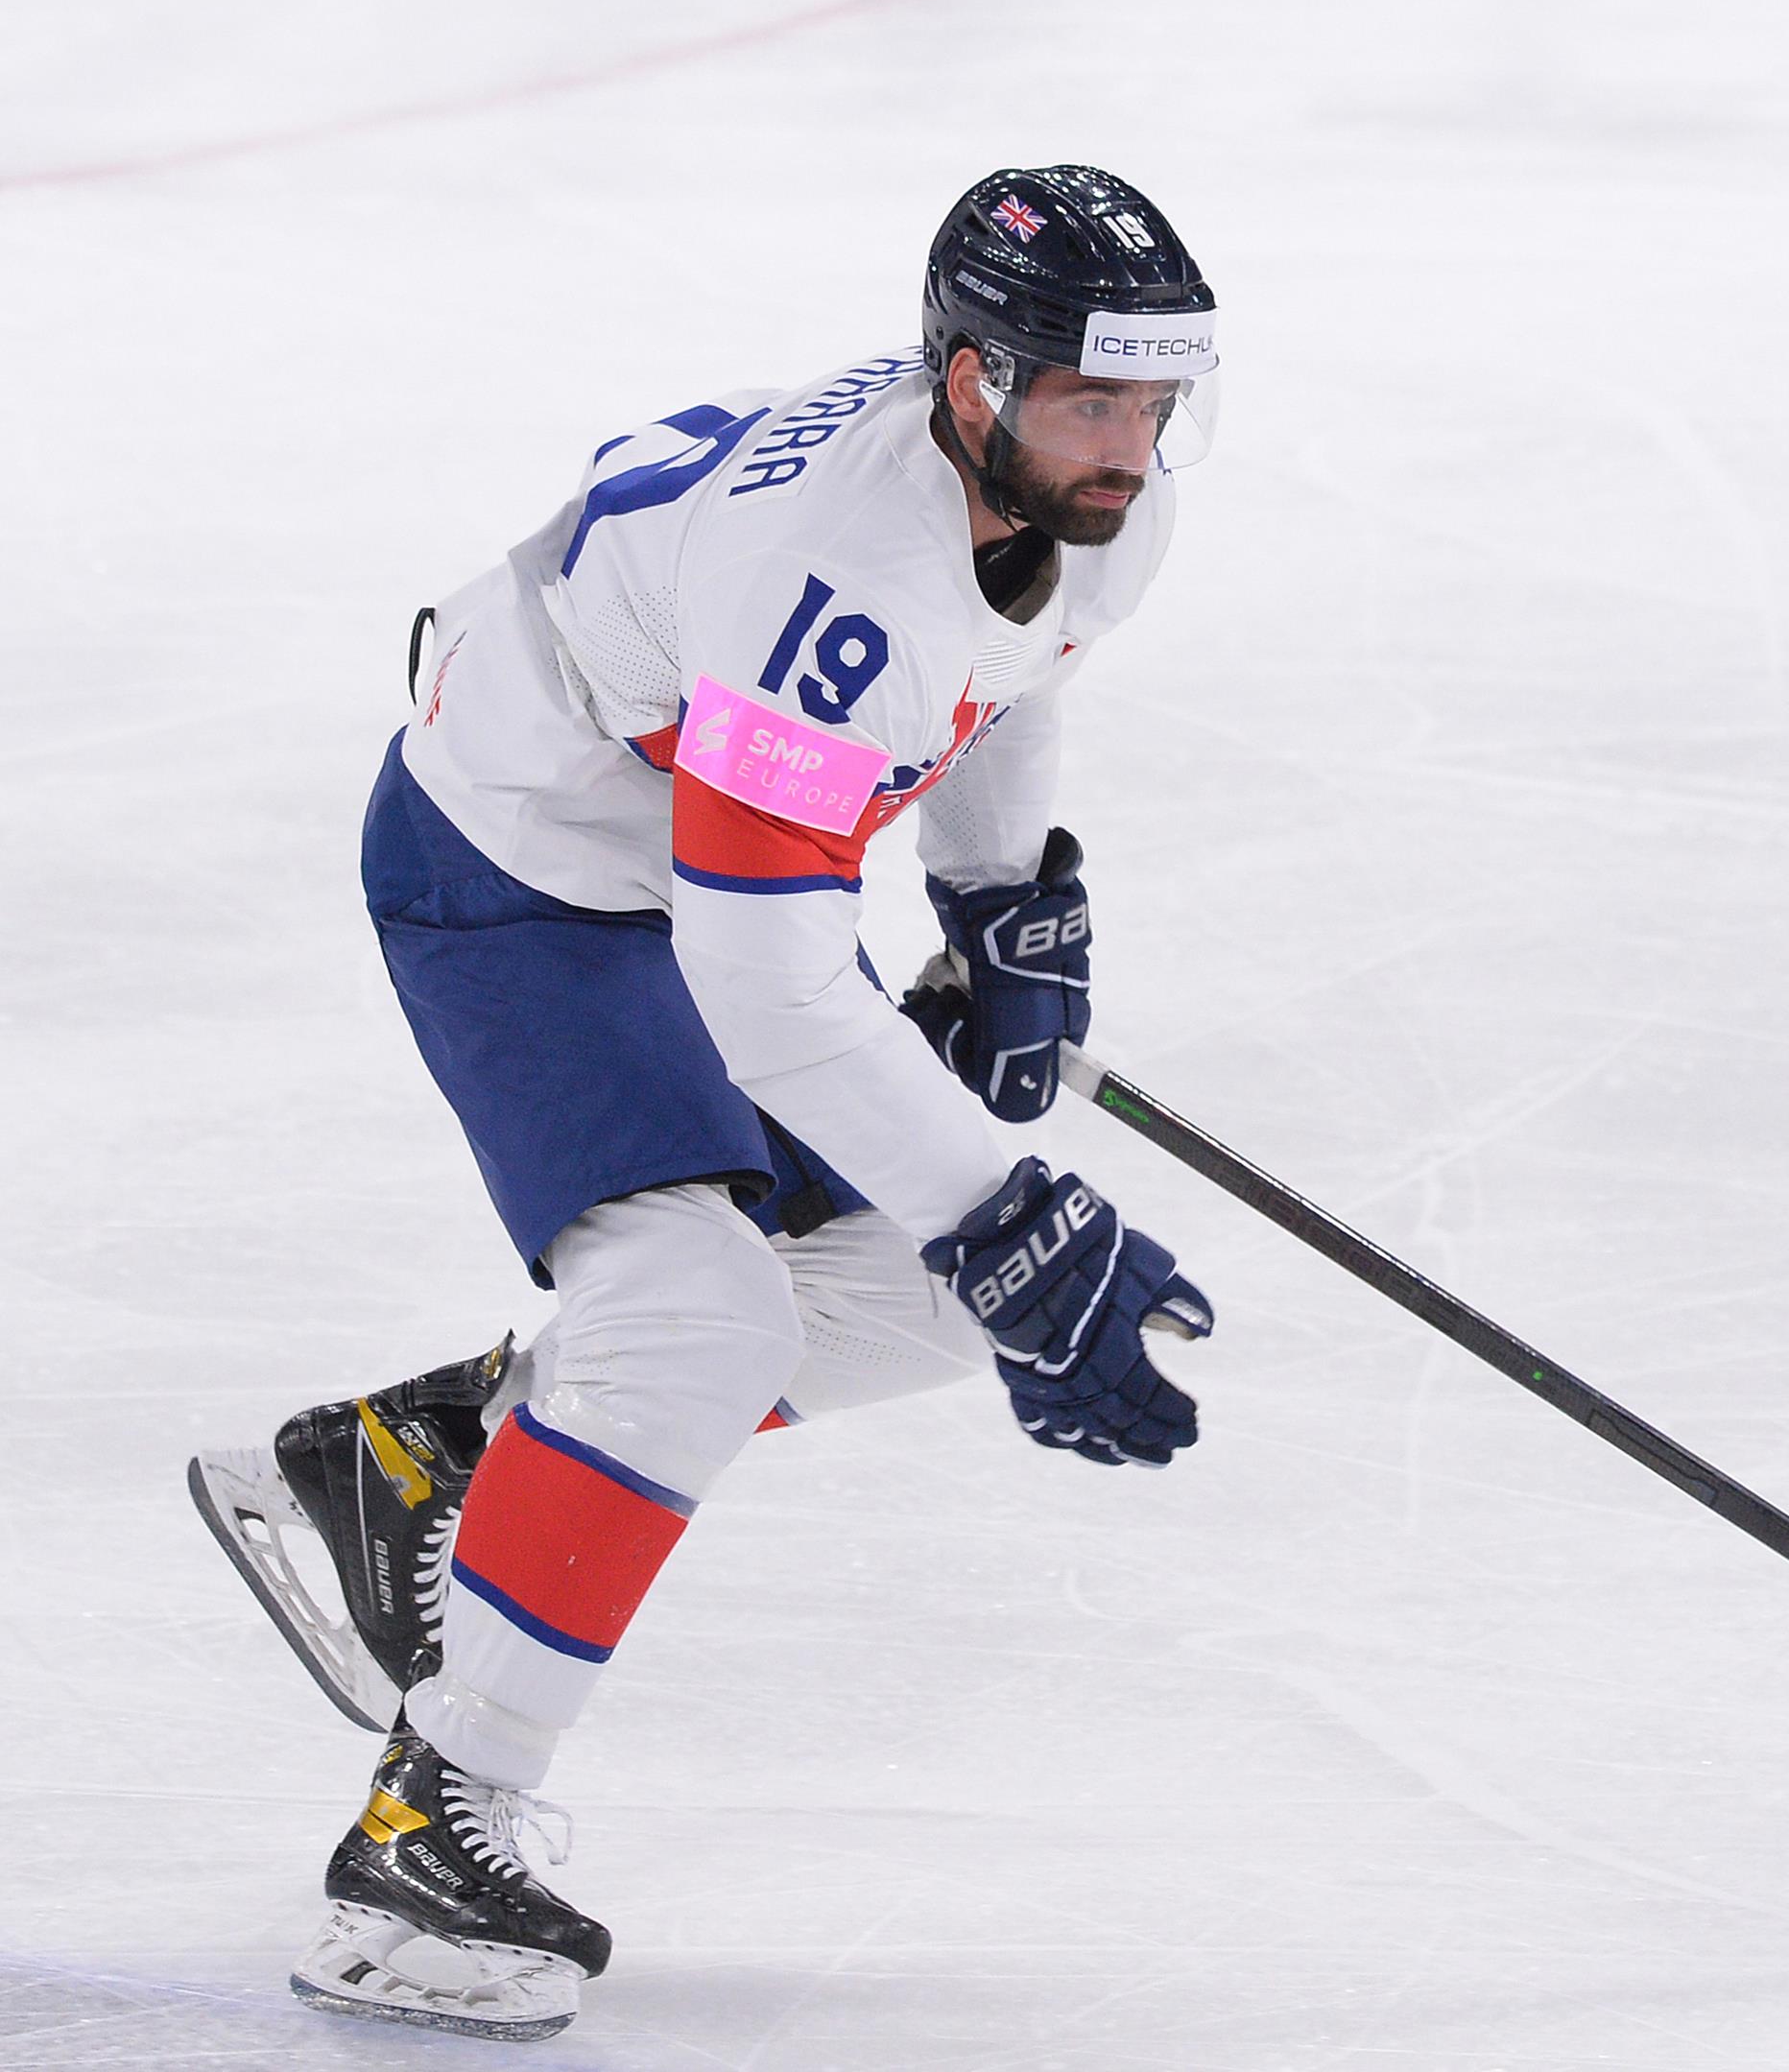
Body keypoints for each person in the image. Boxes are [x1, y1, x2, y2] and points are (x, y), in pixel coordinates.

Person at [184, 164, 1225, 2043]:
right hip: (518, 872)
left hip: (683, 862)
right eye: (1093, 398)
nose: (1132, 445)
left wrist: (1006, 898)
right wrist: (1002, 1215)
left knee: (926, 1293)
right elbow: (760, 980)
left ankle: (421, 1465)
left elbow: (1010, 674)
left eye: (1158, 400)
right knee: (716, 1306)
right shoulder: (830, 586)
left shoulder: (1074, 503)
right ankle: (428, 1835)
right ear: (973, 382)